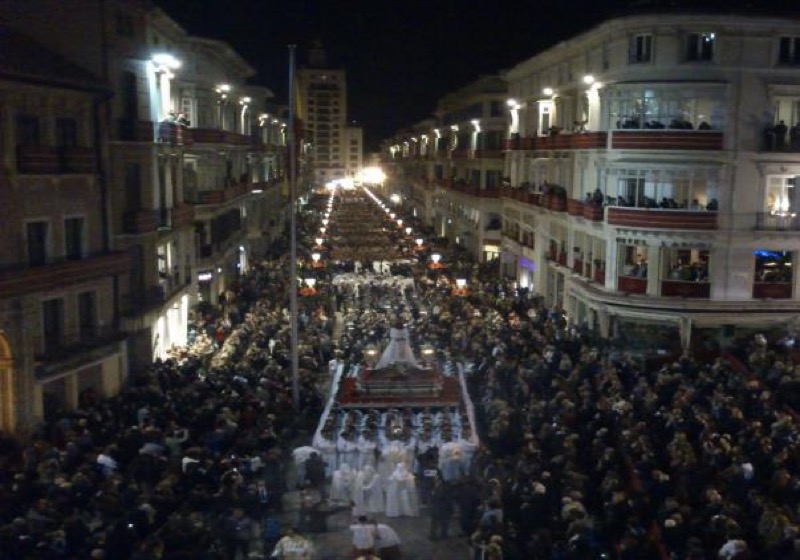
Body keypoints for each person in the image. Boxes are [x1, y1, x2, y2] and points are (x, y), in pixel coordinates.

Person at [429, 471, 453, 540]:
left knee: (442, 522)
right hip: (437, 506)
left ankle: (442, 535)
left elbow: (439, 496)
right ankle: (434, 535)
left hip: (442, 506)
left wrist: (433, 495)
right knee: (436, 521)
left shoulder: (443, 486)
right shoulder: (436, 485)